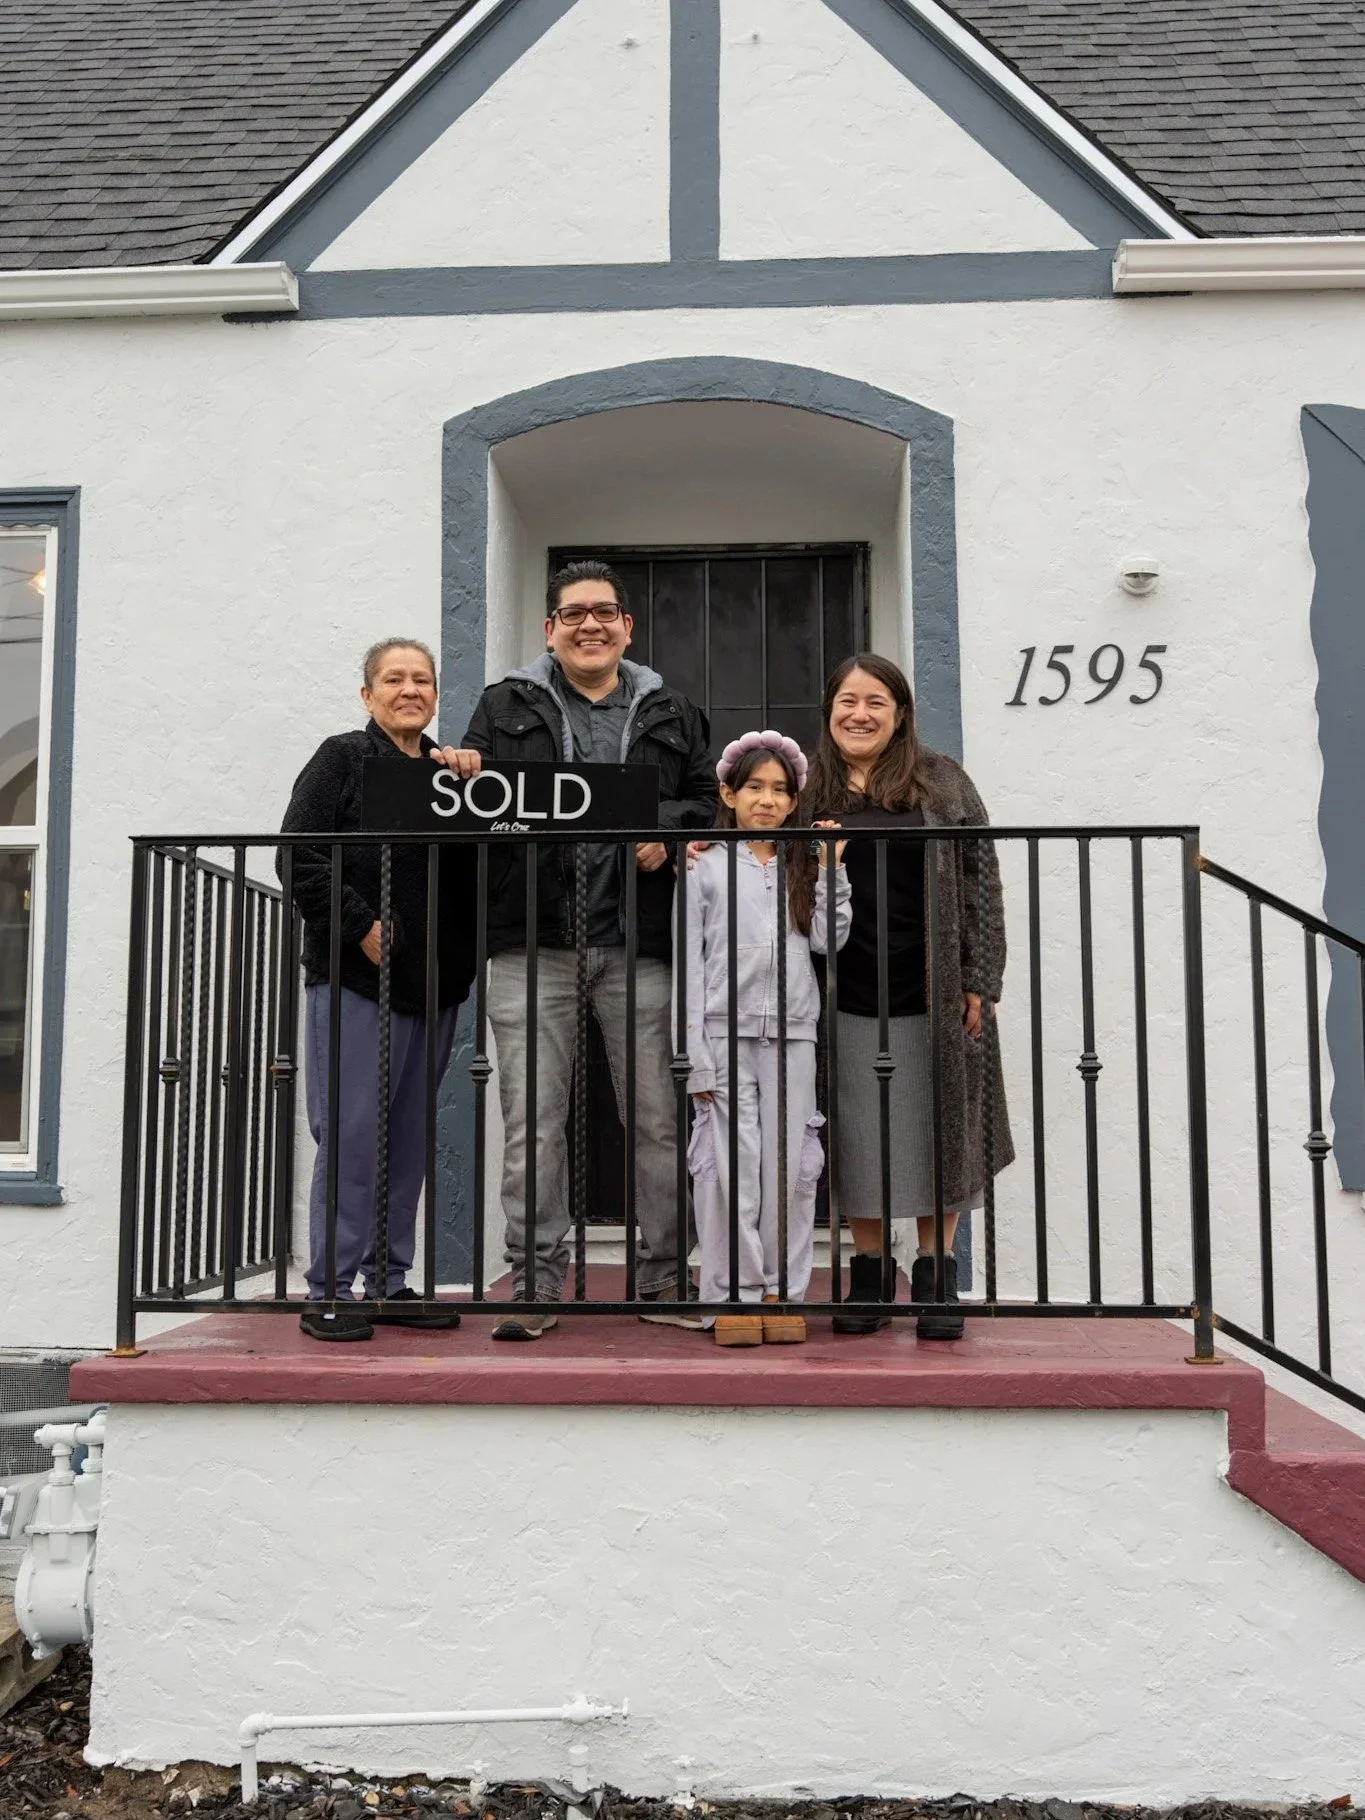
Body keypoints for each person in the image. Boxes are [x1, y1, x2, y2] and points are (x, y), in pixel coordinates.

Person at [457, 560, 717, 1340]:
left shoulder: (672, 709)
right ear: (550, 629)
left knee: (657, 1121)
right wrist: (463, 768)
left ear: (626, 628)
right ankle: (536, 1283)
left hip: (639, 944)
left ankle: (667, 1279)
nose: (589, 625)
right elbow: (472, 804)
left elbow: (708, 799)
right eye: (573, 614)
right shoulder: (504, 705)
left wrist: (664, 833)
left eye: (604, 612)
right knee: (530, 1122)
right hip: (530, 945)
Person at [802, 653, 1014, 1340]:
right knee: (855, 1132)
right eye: (847, 701)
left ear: (899, 715)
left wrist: (982, 976)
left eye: (875, 703)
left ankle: (934, 1273)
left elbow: (982, 878)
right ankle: (868, 1274)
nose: (859, 714)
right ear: (829, 708)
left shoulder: (941, 781)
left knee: (939, 1129)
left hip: (935, 984)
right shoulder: (807, 788)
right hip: (840, 986)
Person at [281, 639, 481, 1341]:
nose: (409, 690)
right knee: (351, 1132)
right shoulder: (341, 757)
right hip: (354, 978)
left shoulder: (448, 773)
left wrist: (468, 784)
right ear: (367, 695)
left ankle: (388, 1281)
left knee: (406, 1139)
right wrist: (358, 925)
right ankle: (330, 1290)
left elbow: (476, 872)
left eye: (421, 679)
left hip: (432, 983)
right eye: (393, 679)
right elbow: (299, 854)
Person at [681, 731, 850, 1346]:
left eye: (780, 790)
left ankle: (782, 1291)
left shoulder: (803, 864)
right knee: (727, 1168)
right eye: (754, 787)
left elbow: (830, 942)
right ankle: (733, 1294)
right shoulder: (703, 866)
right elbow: (691, 963)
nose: (767, 800)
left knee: (790, 1167)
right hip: (723, 1037)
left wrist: (832, 872)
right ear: (728, 794)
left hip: (793, 1035)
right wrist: (695, 1053)